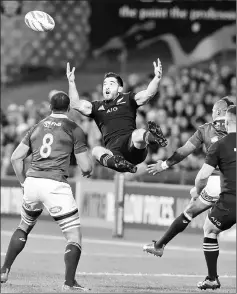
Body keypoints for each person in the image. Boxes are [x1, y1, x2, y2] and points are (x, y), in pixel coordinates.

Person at [1, 91, 93, 291]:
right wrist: (89, 168)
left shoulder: (37, 126)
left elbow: (16, 158)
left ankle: (4, 269)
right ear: (68, 108)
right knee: (74, 237)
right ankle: (69, 283)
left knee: (24, 225)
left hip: (33, 182)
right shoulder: (74, 128)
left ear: (50, 107)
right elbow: (85, 167)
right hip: (55, 184)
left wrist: (23, 182)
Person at [143, 97, 234, 257]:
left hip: (214, 181)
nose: (212, 113)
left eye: (213, 110)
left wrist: (164, 165)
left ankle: (160, 245)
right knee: (212, 226)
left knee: (190, 212)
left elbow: (184, 151)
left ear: (219, 111)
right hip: (233, 182)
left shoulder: (205, 129)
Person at [66, 59, 168, 174]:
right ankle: (122, 165)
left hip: (132, 146)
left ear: (120, 89)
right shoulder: (96, 107)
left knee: (138, 134)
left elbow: (147, 94)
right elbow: (76, 104)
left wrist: (157, 79)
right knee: (95, 150)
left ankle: (156, 138)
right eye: (105, 84)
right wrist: (71, 83)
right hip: (115, 153)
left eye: (111, 84)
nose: (107, 87)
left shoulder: (128, 99)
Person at [194, 105, 236, 290]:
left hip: (231, 200)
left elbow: (203, 176)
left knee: (210, 229)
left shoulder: (219, 145)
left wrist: (198, 191)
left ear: (226, 123)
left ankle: (212, 278)